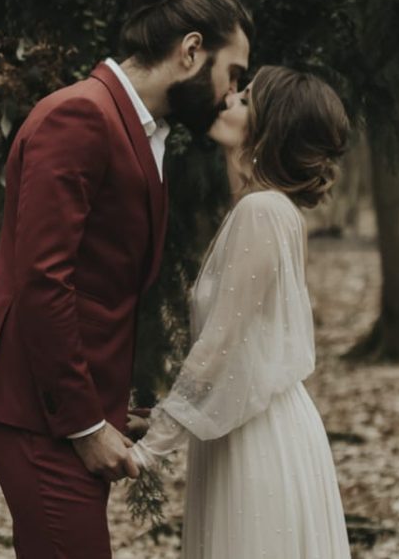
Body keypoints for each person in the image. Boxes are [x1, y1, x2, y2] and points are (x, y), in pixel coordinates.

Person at [0, 0, 252, 559]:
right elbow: (43, 281)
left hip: (65, 406)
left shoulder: (140, 130)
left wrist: (111, 408)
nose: (233, 94)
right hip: (38, 411)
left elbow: (97, 283)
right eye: (233, 72)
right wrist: (85, 423)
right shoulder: (79, 115)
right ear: (191, 51)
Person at [130, 66, 352, 559]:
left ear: (271, 129)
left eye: (246, 100)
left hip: (259, 437)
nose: (229, 99)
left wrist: (152, 449)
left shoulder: (264, 212)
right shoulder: (262, 210)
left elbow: (220, 346)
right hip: (241, 423)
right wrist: (162, 419)